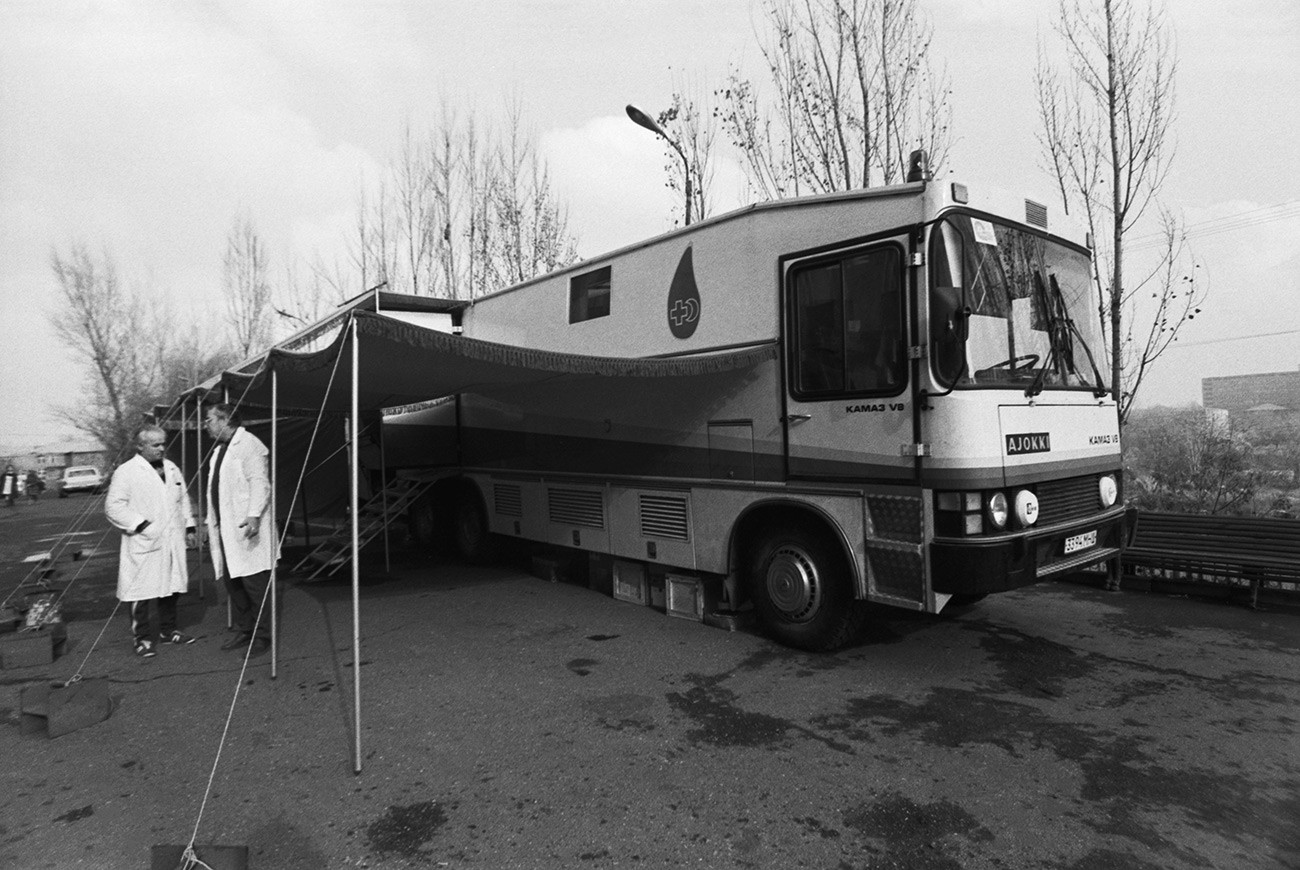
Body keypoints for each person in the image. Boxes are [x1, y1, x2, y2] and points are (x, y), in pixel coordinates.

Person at [105, 426, 198, 658]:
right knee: (140, 590)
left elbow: (183, 497)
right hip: (144, 540)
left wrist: (189, 525)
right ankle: (142, 638)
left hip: (172, 537)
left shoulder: (171, 468)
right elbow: (113, 506)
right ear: (140, 446)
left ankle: (168, 631)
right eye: (155, 444)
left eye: (163, 443)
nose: (161, 448)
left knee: (171, 585)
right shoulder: (127, 471)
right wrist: (142, 525)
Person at [204, 404, 278, 656]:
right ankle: (246, 629)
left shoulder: (249, 445)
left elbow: (260, 483)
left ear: (225, 420)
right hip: (226, 530)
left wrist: (254, 515)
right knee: (233, 584)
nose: (206, 424)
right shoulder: (219, 451)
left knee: (254, 585)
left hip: (247, 528)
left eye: (210, 419)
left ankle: (263, 636)